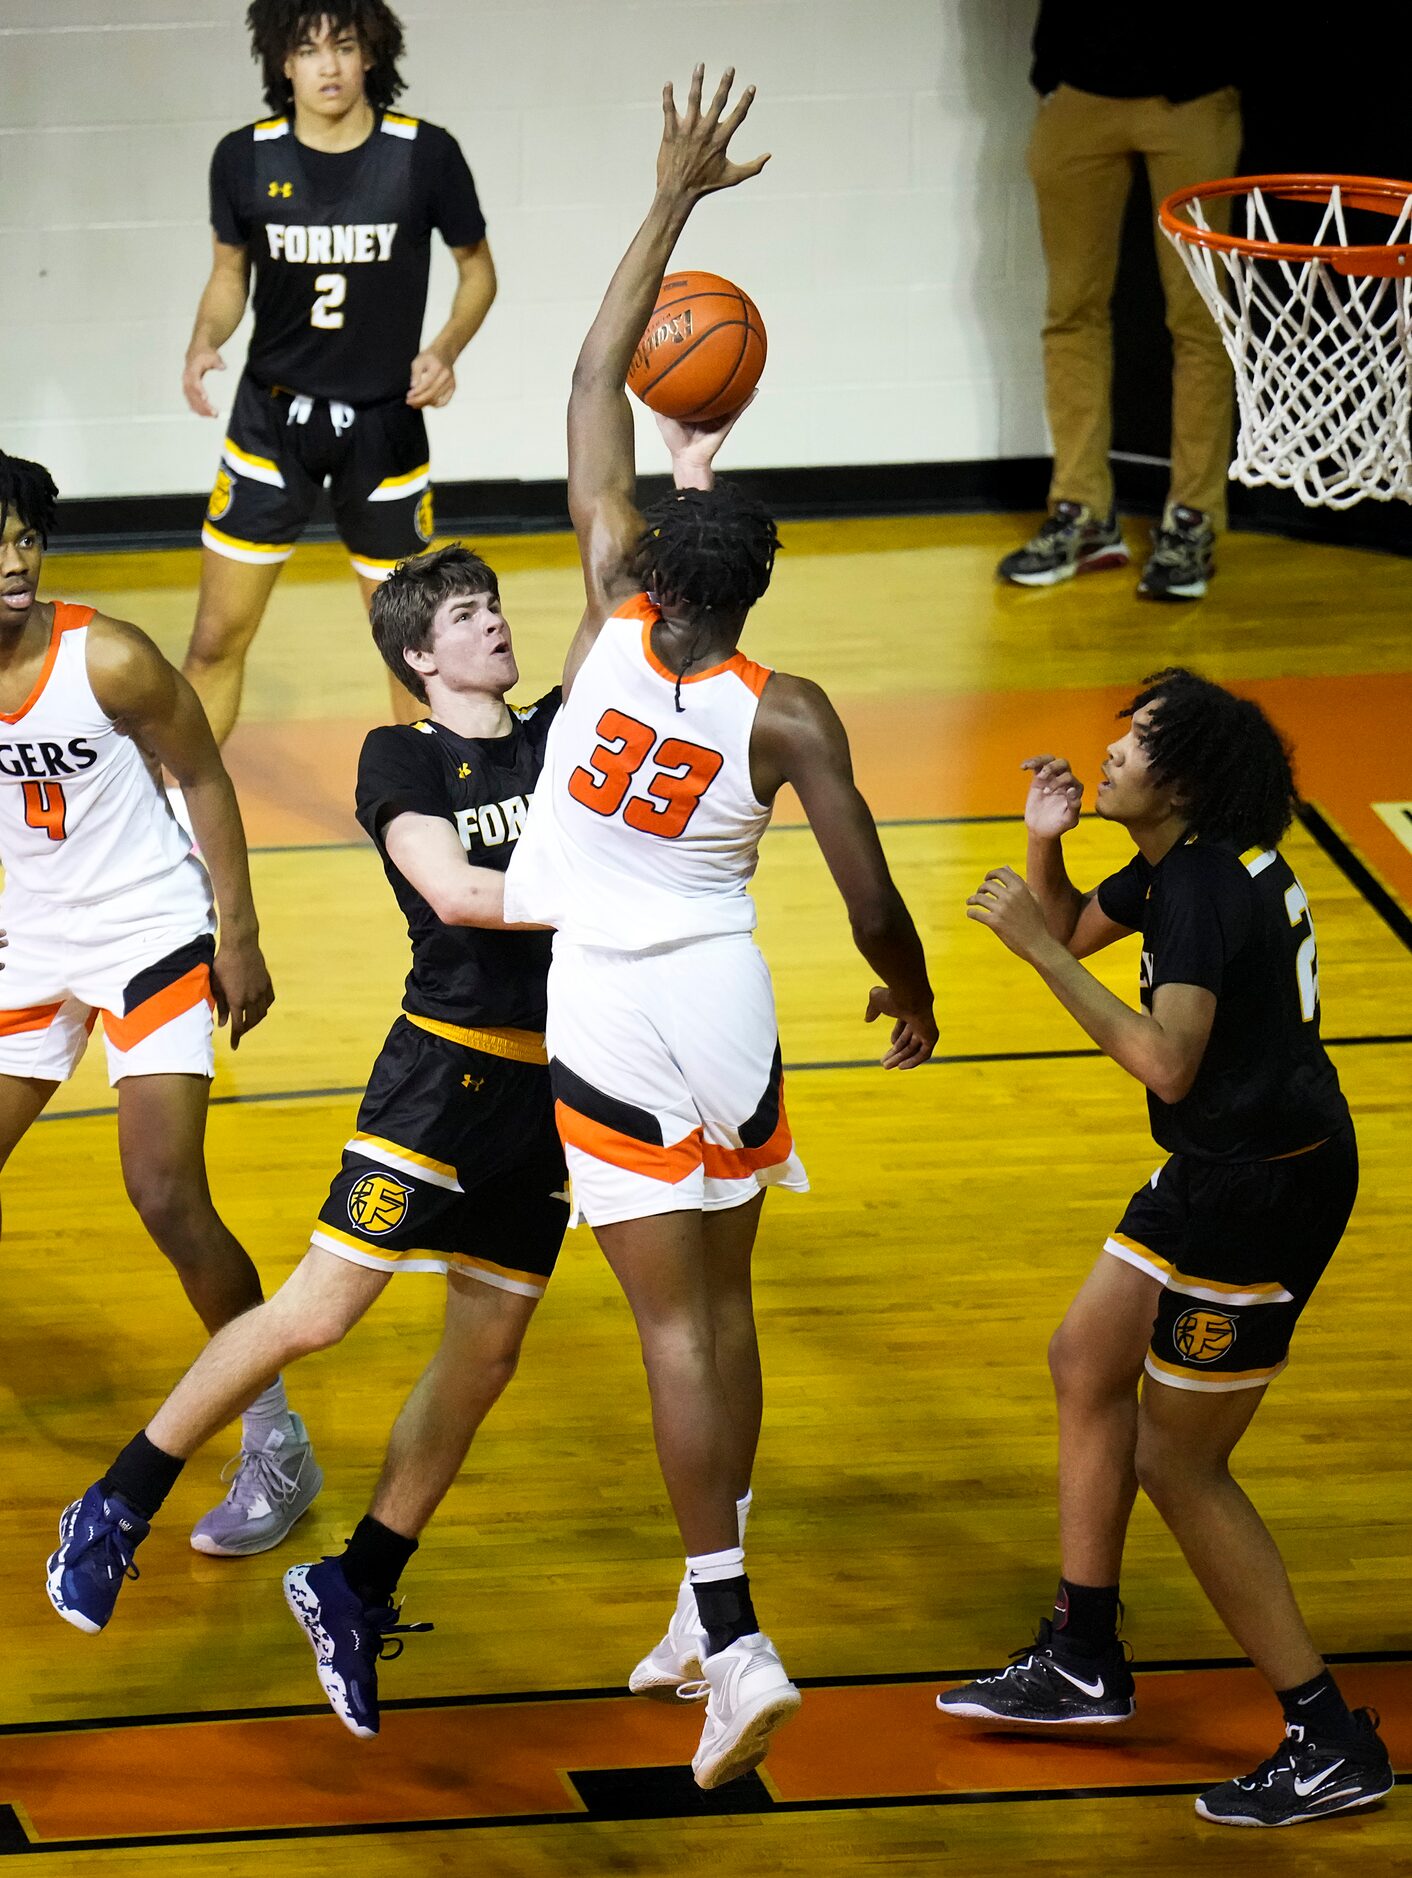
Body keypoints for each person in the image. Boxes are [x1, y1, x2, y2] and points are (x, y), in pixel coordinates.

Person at [502, 68, 938, 1791]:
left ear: (654, 562)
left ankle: (733, 1628)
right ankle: (705, 1614)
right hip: (731, 995)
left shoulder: (608, 597)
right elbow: (872, 896)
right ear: (750, 583)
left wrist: (673, 196)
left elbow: (594, 373)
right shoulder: (790, 708)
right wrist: (902, 997)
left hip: (607, 1000)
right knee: (727, 1300)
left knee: (665, 1327)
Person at [45, 545, 569, 1741]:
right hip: (442, 1078)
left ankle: (357, 1582)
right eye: (465, 616)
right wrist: (645, 894)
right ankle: (117, 1504)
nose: (493, 625)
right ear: (418, 658)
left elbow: (611, 592)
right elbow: (455, 894)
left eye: (495, 607)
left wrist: (688, 467)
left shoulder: (554, 737)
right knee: (320, 1311)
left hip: (548, 1095)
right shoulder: (402, 757)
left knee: (484, 1357)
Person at [941, 668, 1393, 1827]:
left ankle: (1325, 1736)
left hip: (1262, 1193)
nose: (1111, 753)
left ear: (1182, 778)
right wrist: (1043, 851)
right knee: (1084, 1362)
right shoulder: (1183, 859)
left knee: (1179, 1462)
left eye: (1136, 742)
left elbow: (1162, 1062)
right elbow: (1069, 931)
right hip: (1213, 1166)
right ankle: (1080, 1654)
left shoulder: (1197, 888)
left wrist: (1035, 959)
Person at [0, 450, 313, 1560]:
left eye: (26, 539)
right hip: (31, 946)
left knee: (164, 1195)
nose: (15, 563)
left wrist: (239, 931)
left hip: (147, 931)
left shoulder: (111, 660)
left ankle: (274, 1440)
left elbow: (206, 776)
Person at [182, 0, 497, 740]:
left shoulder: (425, 153)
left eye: (344, 46)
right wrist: (203, 340)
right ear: (282, 62)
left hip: (384, 425)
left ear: (370, 57)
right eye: (309, 49)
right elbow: (230, 275)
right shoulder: (243, 156)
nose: (328, 65)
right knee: (215, 640)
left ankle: (432, 825)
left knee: (419, 656)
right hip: (271, 422)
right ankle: (177, 821)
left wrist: (446, 348)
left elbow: (478, 272)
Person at [997, 1, 1242, 601]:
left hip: (1193, 91)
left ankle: (1192, 518)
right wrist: (1048, 73)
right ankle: (1083, 511)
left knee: (1200, 318)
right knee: (1071, 314)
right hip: (1080, 88)